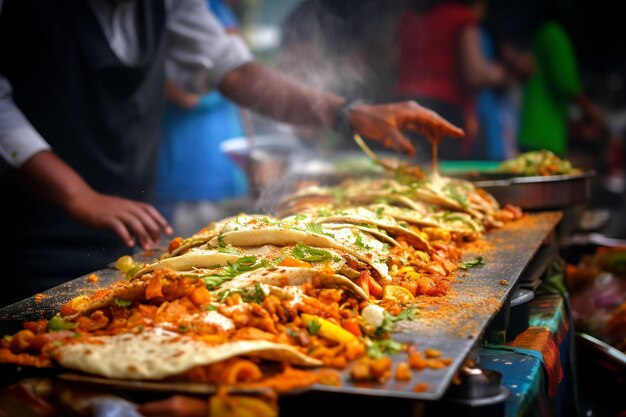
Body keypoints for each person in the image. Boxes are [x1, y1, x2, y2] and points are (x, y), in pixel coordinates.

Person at [0, 0, 463, 306]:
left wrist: (348, 112)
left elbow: (234, 70)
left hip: (123, 235)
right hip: (28, 240)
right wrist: (79, 195)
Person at [155, 0, 248, 237]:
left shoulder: (218, 9)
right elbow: (185, 96)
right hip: (186, 177)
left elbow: (240, 83)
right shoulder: (174, 8)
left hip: (221, 173)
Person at [394, 0, 521, 160]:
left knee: (408, 165)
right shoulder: (461, 18)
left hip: (402, 106)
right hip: (442, 110)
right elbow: (474, 74)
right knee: (440, 172)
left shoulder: (411, 16)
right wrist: (508, 75)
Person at [518, 13, 605, 157]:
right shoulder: (554, 33)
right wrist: (594, 115)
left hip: (537, 131)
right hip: (543, 134)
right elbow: (567, 83)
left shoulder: (546, 32)